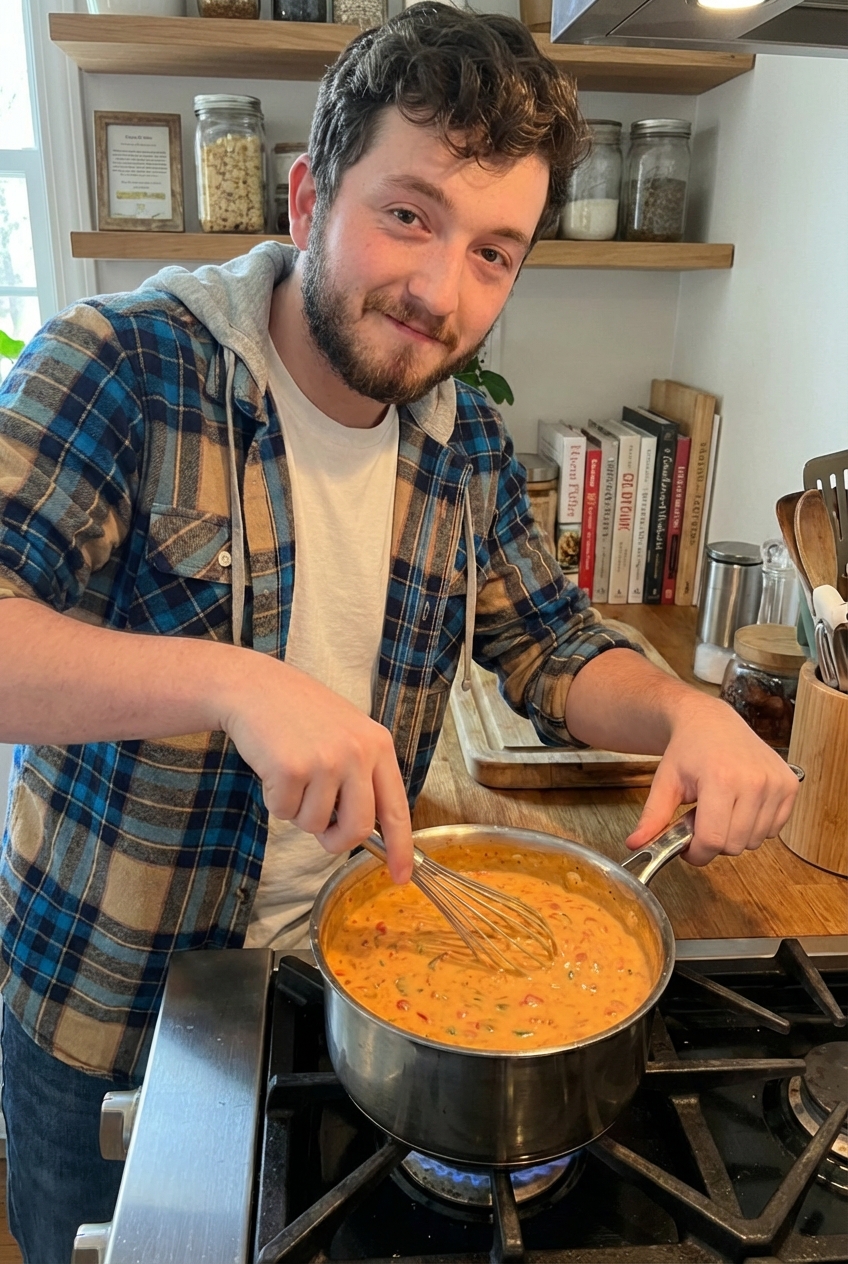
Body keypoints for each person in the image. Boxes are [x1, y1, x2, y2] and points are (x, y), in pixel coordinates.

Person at [0, 6, 797, 1261]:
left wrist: (682, 711)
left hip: (364, 1001)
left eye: (494, 251)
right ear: (311, 190)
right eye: (409, 214)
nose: (440, 290)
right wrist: (235, 682)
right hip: (120, 1011)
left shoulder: (462, 441)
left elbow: (551, 646)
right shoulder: (123, 367)